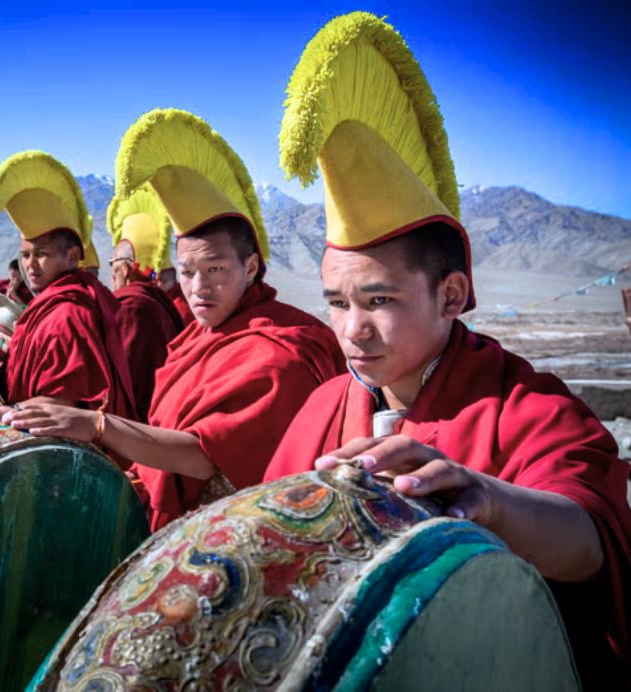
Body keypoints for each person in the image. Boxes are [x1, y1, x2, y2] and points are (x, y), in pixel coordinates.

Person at [264, 12, 631, 687]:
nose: (352, 331)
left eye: (379, 301)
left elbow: (590, 540)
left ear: (452, 295)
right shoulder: (322, 408)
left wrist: (488, 499)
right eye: (338, 303)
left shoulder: (524, 404)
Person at [4, 110, 344, 529]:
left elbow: (204, 458)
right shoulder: (197, 338)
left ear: (251, 267)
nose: (199, 287)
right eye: (186, 272)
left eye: (216, 270)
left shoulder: (278, 351)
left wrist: (96, 425)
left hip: (233, 535)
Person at [0, 151, 136, 426]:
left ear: (71, 257)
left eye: (42, 253)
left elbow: (60, 405)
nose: (31, 265)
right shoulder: (50, 305)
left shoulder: (68, 315)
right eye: (25, 255)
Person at [107, 186, 184, 420]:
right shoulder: (158, 302)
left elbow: (120, 381)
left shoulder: (130, 307)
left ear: (125, 267)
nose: (111, 273)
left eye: (112, 263)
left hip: (129, 428)